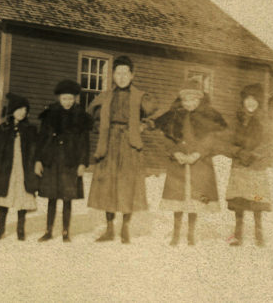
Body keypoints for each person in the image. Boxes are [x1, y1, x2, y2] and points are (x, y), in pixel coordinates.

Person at [86, 56, 157, 243]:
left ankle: (125, 227)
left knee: (128, 184)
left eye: (126, 72)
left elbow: (152, 119)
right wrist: (99, 128)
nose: (122, 76)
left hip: (129, 144)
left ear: (132, 75)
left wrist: (142, 127)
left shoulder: (141, 97)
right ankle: (109, 229)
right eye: (118, 72)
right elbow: (91, 117)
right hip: (108, 144)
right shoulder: (106, 96)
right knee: (108, 185)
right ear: (113, 75)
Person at [154, 78, 227, 246]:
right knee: (178, 201)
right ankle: (176, 233)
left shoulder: (207, 116)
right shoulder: (173, 116)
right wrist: (175, 152)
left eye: (193, 99)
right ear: (182, 100)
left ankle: (191, 234)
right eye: (186, 99)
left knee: (194, 202)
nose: (189, 103)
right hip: (178, 164)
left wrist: (198, 153)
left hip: (199, 164)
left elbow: (210, 139)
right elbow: (167, 139)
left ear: (199, 99)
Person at [35, 79, 92, 242]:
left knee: (68, 197)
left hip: (70, 162)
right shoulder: (50, 115)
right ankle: (48, 230)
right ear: (59, 98)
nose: (67, 102)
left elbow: (84, 143)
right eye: (64, 98)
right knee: (52, 197)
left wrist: (82, 163)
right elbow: (42, 139)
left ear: (75, 99)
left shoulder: (80, 117)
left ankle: (66, 231)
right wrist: (38, 160)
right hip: (52, 161)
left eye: (70, 99)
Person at [0, 93, 37, 241]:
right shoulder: (3, 129)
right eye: (19, 109)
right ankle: (0, 229)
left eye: (24, 110)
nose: (22, 112)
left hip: (23, 168)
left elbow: (35, 150)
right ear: (12, 111)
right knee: (4, 197)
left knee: (22, 197)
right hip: (6, 168)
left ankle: (20, 229)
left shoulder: (30, 129)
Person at [225, 83, 272, 247]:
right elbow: (228, 142)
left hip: (256, 167)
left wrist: (254, 155)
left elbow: (268, 143)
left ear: (259, 102)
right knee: (239, 202)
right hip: (239, 166)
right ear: (243, 101)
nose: (250, 103)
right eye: (247, 99)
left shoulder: (264, 121)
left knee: (257, 202)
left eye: (254, 100)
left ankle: (259, 235)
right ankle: (238, 235)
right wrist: (238, 152)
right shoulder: (236, 120)